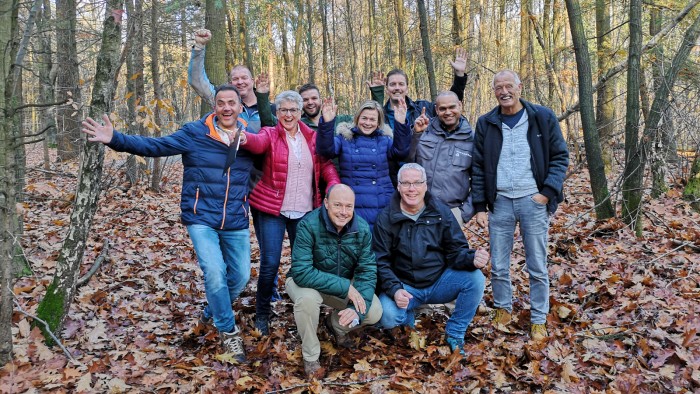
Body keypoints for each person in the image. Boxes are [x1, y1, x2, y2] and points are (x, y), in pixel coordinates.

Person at [81, 85, 252, 362]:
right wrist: (115, 139)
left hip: (236, 219)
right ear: (214, 107)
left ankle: (211, 312)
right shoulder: (195, 133)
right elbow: (155, 146)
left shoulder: (251, 137)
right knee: (215, 273)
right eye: (221, 103)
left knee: (241, 276)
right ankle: (228, 332)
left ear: (240, 107)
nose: (227, 108)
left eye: (232, 103)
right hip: (201, 217)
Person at [472, 69, 569, 342]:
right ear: (494, 92)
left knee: (537, 265)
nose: (504, 92)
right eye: (499, 87)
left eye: (508, 86)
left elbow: (560, 156)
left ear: (519, 87)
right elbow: (478, 166)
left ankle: (538, 319)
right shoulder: (486, 123)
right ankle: (503, 309)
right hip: (500, 201)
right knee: (500, 264)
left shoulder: (542, 117)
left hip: (532, 200)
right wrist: (480, 205)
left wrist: (548, 192)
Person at [238, 90, 341, 336]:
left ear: (300, 112)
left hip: (304, 211)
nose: (288, 114)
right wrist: (243, 138)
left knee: (303, 265)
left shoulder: (312, 137)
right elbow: (257, 142)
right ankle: (262, 314)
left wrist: (335, 186)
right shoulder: (270, 133)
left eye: (293, 110)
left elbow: (325, 165)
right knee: (270, 263)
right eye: (283, 110)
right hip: (272, 209)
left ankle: (305, 312)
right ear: (276, 113)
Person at [372, 163, 489, 355]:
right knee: (387, 316)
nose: (412, 189)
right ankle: (407, 317)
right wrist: (394, 289)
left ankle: (455, 332)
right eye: (406, 183)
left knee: (475, 279)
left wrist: (471, 258)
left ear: (425, 185)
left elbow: (456, 250)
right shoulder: (386, 218)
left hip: (438, 281)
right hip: (405, 287)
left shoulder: (440, 211)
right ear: (398, 186)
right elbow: (380, 261)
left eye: (417, 183)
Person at [286, 184, 382, 378]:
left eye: (349, 206)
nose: (344, 212)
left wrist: (355, 308)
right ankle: (311, 356)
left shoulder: (361, 229)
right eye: (338, 205)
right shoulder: (308, 225)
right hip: (305, 282)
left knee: (373, 311)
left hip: (341, 285)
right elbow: (302, 271)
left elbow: (367, 271)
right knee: (308, 300)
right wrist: (345, 287)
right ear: (326, 203)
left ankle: (335, 325)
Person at [316, 98, 411, 229]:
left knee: (381, 243)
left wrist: (400, 123)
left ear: (378, 123)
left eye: (372, 120)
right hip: (352, 201)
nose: (367, 123)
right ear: (357, 118)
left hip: (382, 200)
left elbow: (401, 153)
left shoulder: (384, 139)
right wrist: (327, 122)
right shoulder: (344, 138)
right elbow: (325, 151)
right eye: (364, 118)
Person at [188, 29, 274, 133]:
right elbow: (197, 80)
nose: (240, 82)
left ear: (252, 81)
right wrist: (199, 47)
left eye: (244, 78)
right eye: (235, 79)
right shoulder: (222, 100)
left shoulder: (270, 108)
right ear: (230, 83)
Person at [409, 91, 476, 226]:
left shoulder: (473, 139)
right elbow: (407, 164)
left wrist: (464, 213)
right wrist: (416, 135)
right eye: (443, 109)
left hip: (452, 214)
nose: (448, 112)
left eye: (452, 107)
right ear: (436, 110)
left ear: (460, 106)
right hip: (418, 211)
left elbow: (480, 181)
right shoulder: (423, 131)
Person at [368, 48, 468, 129]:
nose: (397, 88)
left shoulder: (423, 108)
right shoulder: (381, 114)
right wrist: (377, 94)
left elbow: (449, 103)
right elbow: (371, 123)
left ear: (407, 88)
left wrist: (459, 76)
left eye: (401, 84)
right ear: (386, 89)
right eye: (393, 84)